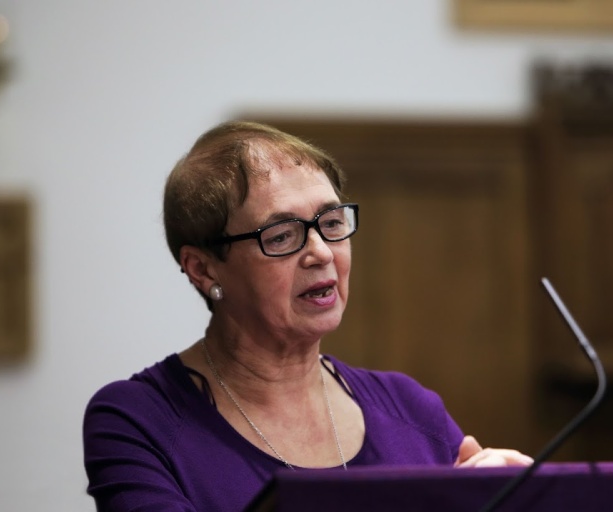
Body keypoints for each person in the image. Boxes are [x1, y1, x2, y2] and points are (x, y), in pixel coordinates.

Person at [82, 121, 532, 512]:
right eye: (281, 235)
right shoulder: (138, 420)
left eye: (331, 223)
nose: (320, 252)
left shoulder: (413, 410)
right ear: (203, 268)